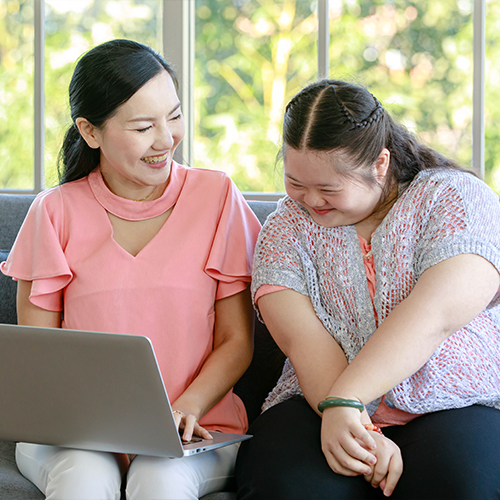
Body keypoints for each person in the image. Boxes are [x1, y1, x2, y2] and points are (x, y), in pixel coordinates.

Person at [1, 39, 261, 500]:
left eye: (174, 116)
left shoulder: (218, 198)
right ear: (90, 131)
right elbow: (41, 356)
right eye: (143, 127)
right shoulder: (54, 212)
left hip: (199, 426)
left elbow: (236, 341)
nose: (166, 139)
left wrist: (185, 408)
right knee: (83, 479)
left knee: (159, 480)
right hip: (73, 435)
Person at [235, 79, 500, 500]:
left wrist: (348, 399)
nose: (310, 200)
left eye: (328, 188)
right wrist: (340, 412)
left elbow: (435, 315)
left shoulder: (457, 199)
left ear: (380, 163)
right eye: (296, 182)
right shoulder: (285, 229)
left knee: (462, 483)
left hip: (456, 404)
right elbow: (304, 341)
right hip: (316, 398)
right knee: (286, 487)